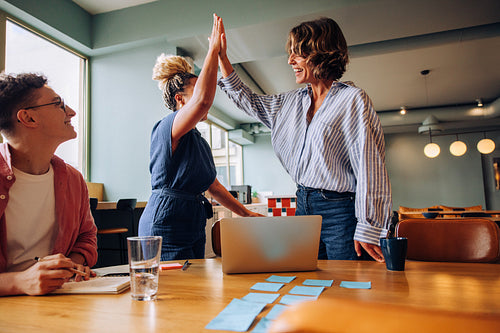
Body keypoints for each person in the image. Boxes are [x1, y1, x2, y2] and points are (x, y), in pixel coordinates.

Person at [217, 17, 392, 262]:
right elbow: (251, 102)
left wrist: (369, 226)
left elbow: (369, 168)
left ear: (321, 53)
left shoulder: (352, 100)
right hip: (303, 205)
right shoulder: (290, 103)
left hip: (340, 210)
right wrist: (223, 59)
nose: (290, 60)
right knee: (311, 280)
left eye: (298, 53)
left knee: (347, 288)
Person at [139, 14, 261, 261]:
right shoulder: (167, 127)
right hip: (166, 222)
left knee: (194, 288)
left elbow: (213, 186)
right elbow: (204, 100)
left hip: (192, 221)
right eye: (195, 95)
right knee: (175, 292)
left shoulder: (199, 142)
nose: (206, 101)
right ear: (179, 99)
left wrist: (246, 214)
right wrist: (213, 51)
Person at [0, 73, 98, 296]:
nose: (71, 112)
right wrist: (19, 282)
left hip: (57, 302)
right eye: (59, 104)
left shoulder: (73, 179)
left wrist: (70, 266)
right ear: (29, 118)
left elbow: (86, 236)